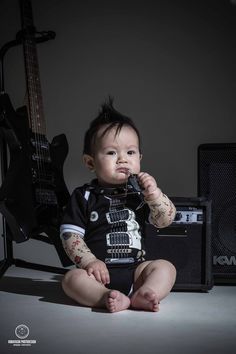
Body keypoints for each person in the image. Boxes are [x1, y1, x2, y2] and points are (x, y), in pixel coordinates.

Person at [60, 98, 176, 313]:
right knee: (70, 279)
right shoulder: (84, 196)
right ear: (90, 162)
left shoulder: (140, 194)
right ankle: (106, 296)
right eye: (112, 152)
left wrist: (154, 195)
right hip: (96, 275)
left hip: (136, 272)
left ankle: (146, 292)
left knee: (165, 267)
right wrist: (89, 262)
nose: (123, 159)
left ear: (140, 157)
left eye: (130, 153)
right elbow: (70, 236)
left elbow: (165, 220)